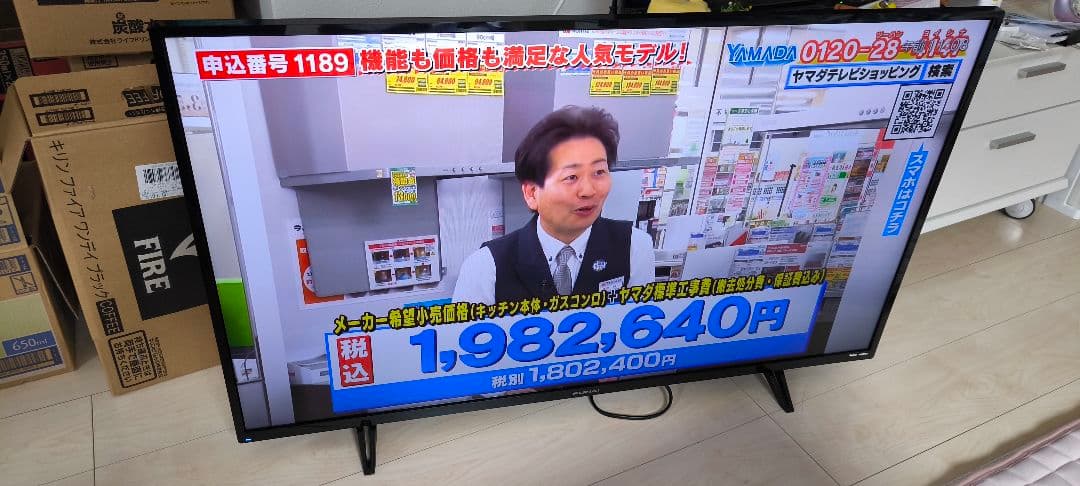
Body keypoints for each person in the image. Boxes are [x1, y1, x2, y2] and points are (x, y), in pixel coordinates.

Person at [453, 105, 655, 305]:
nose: (588, 191)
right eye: (571, 177)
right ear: (532, 193)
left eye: (599, 172)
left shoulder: (634, 247)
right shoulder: (485, 267)